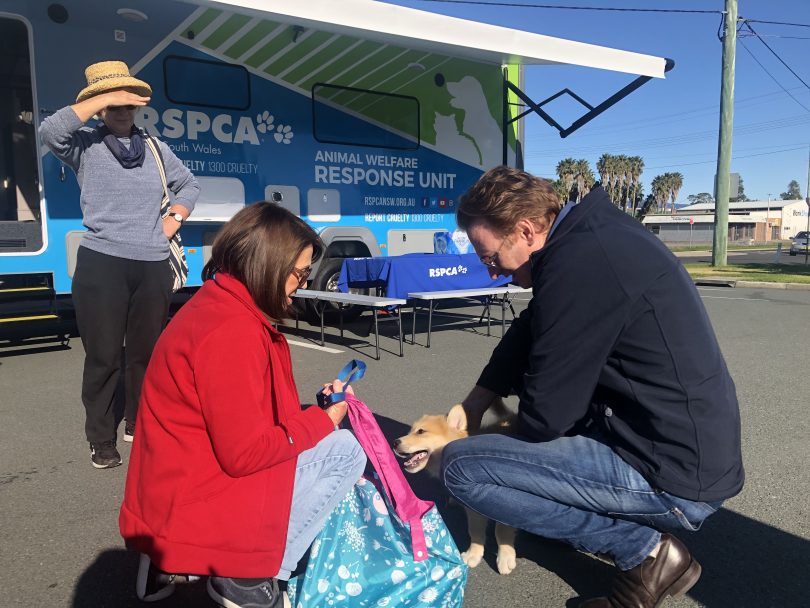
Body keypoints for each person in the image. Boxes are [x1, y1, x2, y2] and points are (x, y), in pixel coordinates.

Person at [441, 166, 744, 607]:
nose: (491, 273)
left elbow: (546, 417)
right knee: (525, 450)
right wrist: (475, 402)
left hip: (673, 475)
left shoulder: (579, 265)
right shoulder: (589, 235)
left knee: (461, 467)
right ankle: (586, 520)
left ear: (524, 230)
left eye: (490, 258)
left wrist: (502, 453)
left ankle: (647, 553)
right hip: (682, 446)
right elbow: (530, 328)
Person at [119, 203, 367, 608]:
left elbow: (248, 417)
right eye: (300, 272)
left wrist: (317, 412)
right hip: (198, 497)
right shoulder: (232, 331)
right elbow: (245, 454)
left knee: (325, 440)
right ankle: (249, 576)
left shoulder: (217, 307)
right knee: (345, 452)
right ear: (268, 264)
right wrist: (323, 422)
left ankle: (182, 562)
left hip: (171, 489)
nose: (302, 284)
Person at [39, 60, 199, 468]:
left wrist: (174, 218)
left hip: (151, 264)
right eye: (113, 103)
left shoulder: (156, 149)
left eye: (127, 101)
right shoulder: (84, 146)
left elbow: (188, 184)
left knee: (144, 354)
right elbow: (49, 132)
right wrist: (103, 97)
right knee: (104, 357)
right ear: (99, 105)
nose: (121, 109)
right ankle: (101, 438)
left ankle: (138, 421)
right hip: (102, 264)